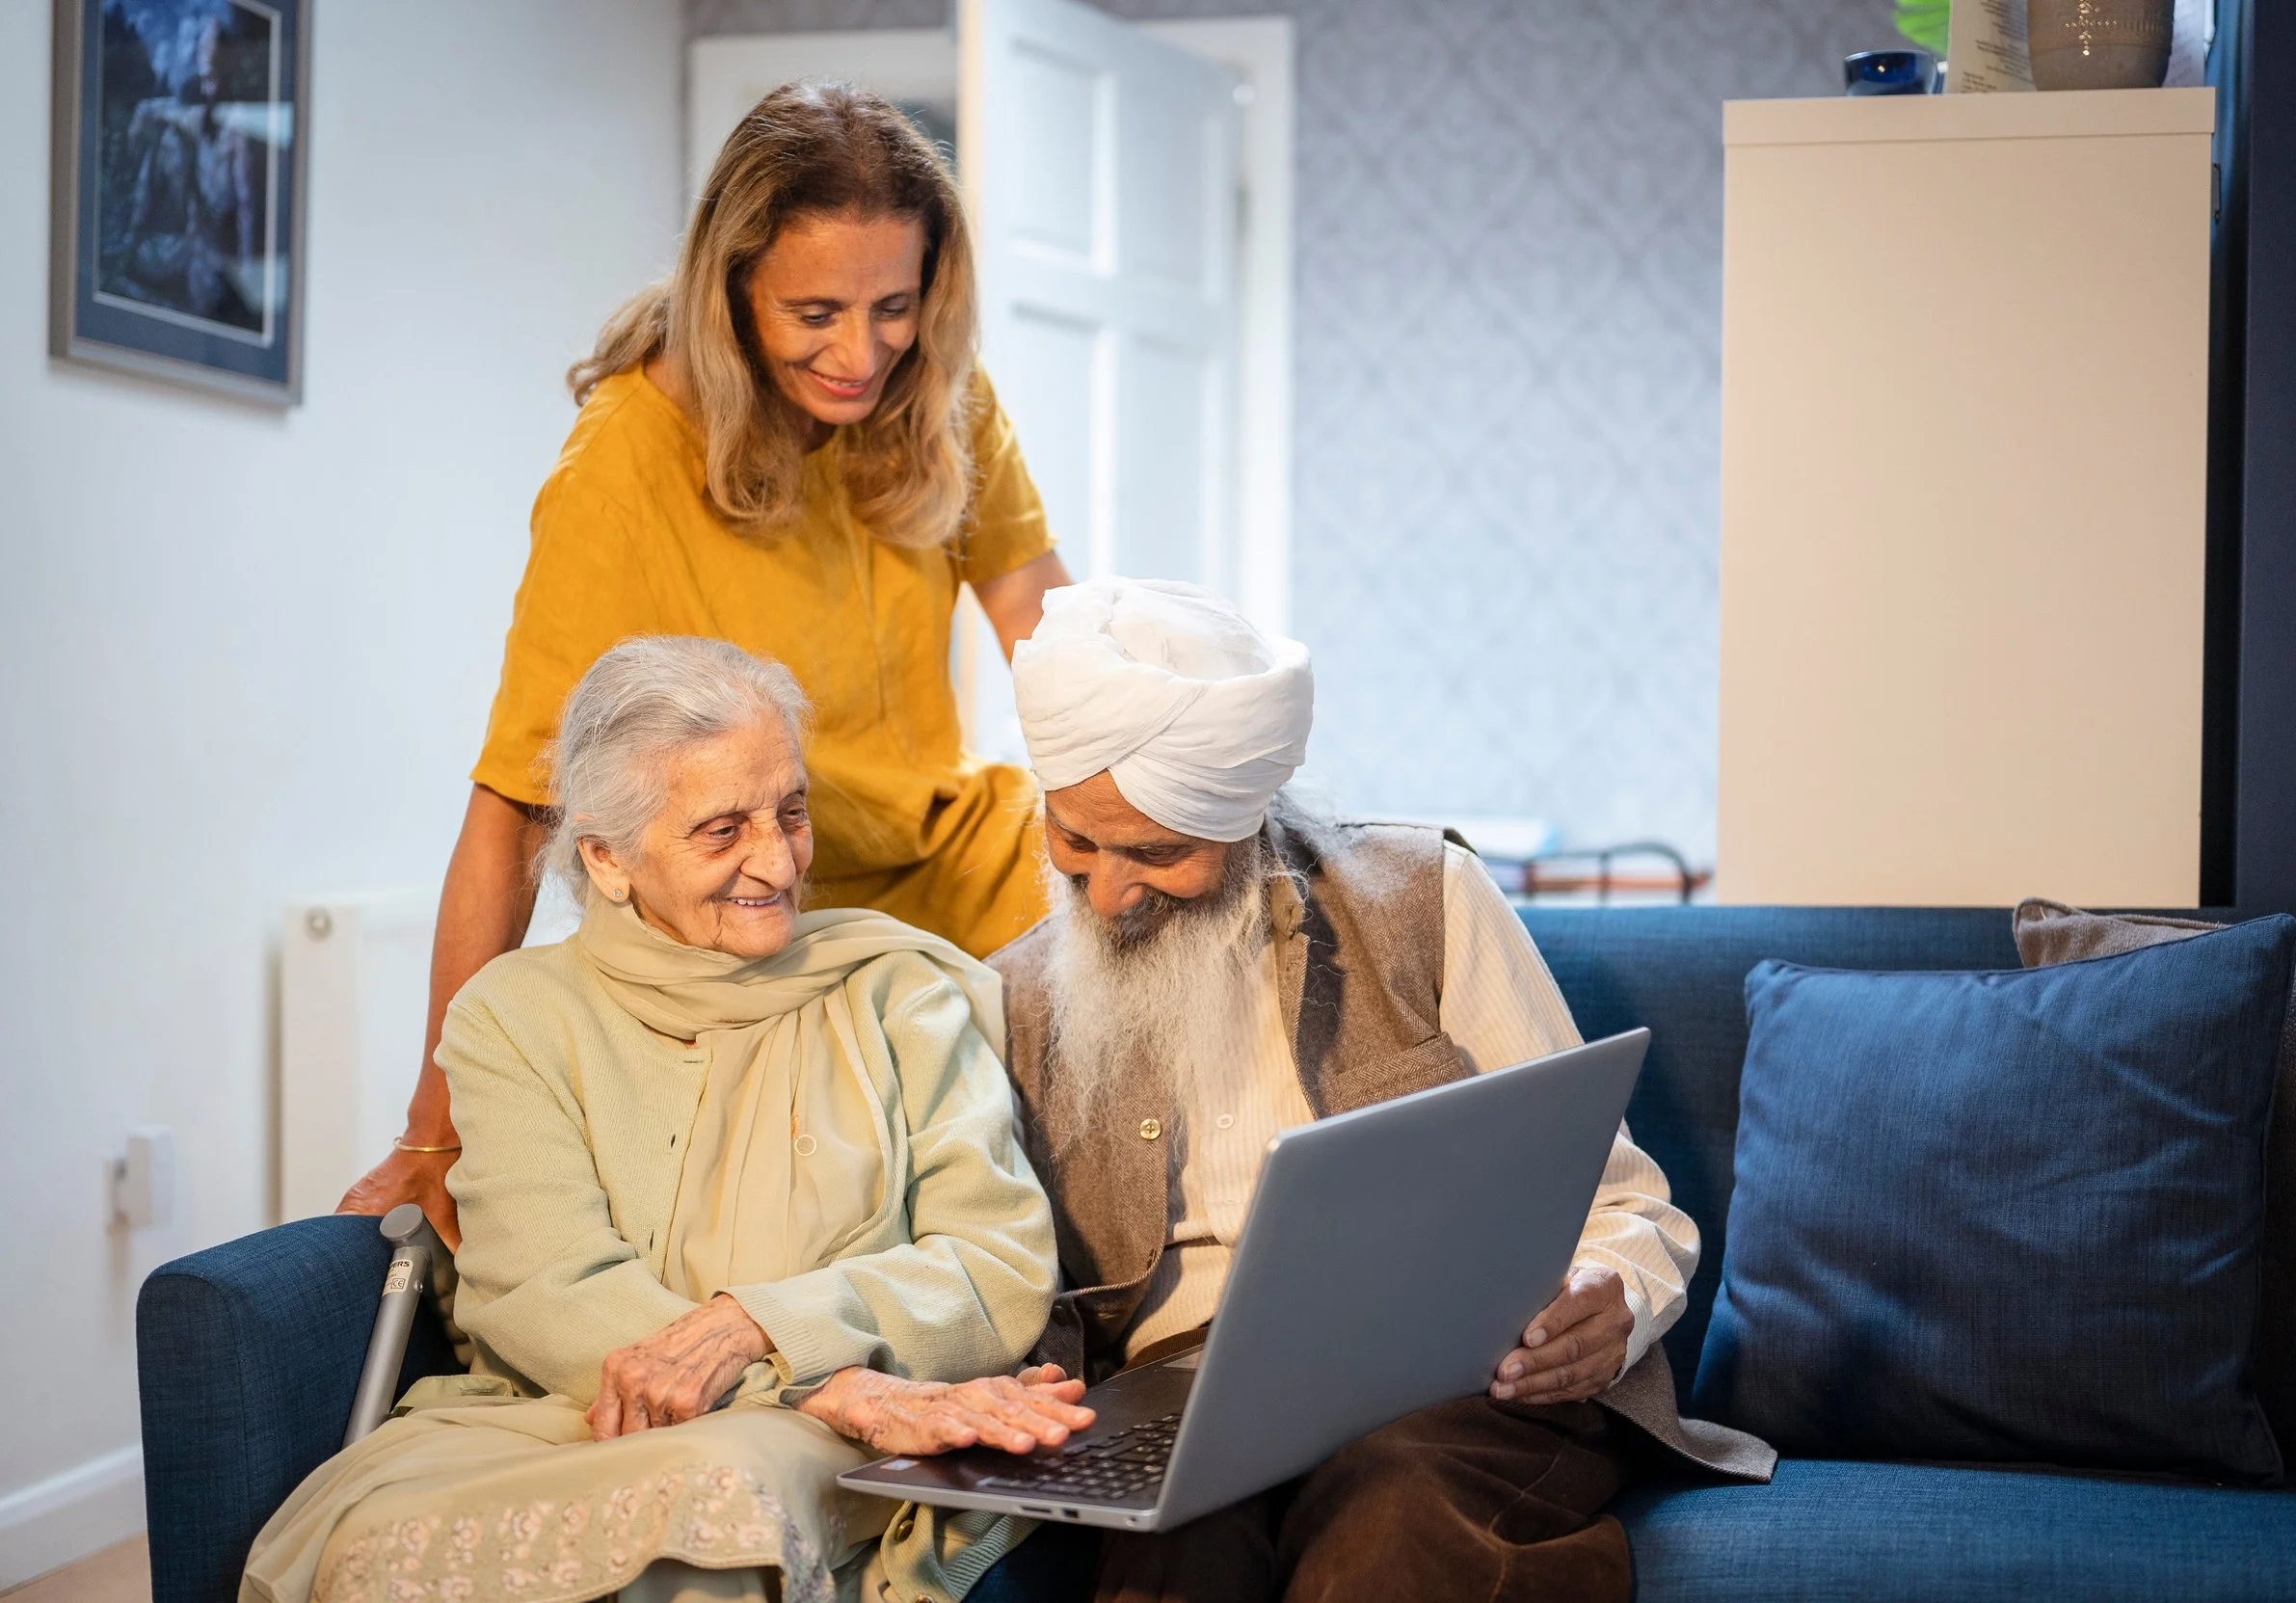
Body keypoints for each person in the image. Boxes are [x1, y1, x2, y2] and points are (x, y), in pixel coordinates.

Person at [342, 81, 1071, 1246]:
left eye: (895, 303)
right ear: (730, 291)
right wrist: (434, 1130)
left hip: (941, 850)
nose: (861, 351)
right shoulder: (622, 465)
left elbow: (1041, 617)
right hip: (767, 901)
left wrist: (1127, 809)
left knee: (1252, 903)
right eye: (816, 311)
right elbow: (515, 807)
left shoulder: (931, 387)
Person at [247, 638, 1089, 1603]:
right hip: (582, 1418)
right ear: (606, 857)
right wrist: (826, 1381)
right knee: (382, 1541)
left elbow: (998, 1265)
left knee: (731, 1484)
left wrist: (756, 1326)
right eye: (722, 829)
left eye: (791, 811)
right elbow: (545, 1284)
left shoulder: (897, 991)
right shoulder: (513, 1016)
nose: (775, 860)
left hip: (831, 1445)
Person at [987, 580, 1775, 1603]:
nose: (1107, 892)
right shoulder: (1013, 994)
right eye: (1074, 841)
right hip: (1180, 1399)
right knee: (1171, 1553)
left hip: (1451, 1377)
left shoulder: (1422, 898)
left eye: (1156, 851)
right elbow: (998, 1268)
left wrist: (1613, 1299)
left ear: (1244, 815)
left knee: (1389, 1517)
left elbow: (1625, 1205)